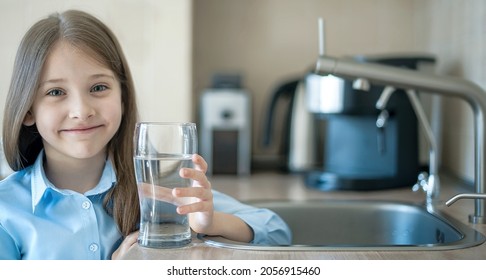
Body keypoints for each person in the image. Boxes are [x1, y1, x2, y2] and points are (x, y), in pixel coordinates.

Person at [0, 10, 291, 260]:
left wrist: (211, 222)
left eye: (98, 88)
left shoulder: (161, 192)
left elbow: (276, 231)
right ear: (28, 110)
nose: (81, 110)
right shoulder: (6, 210)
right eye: (55, 92)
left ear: (123, 97)